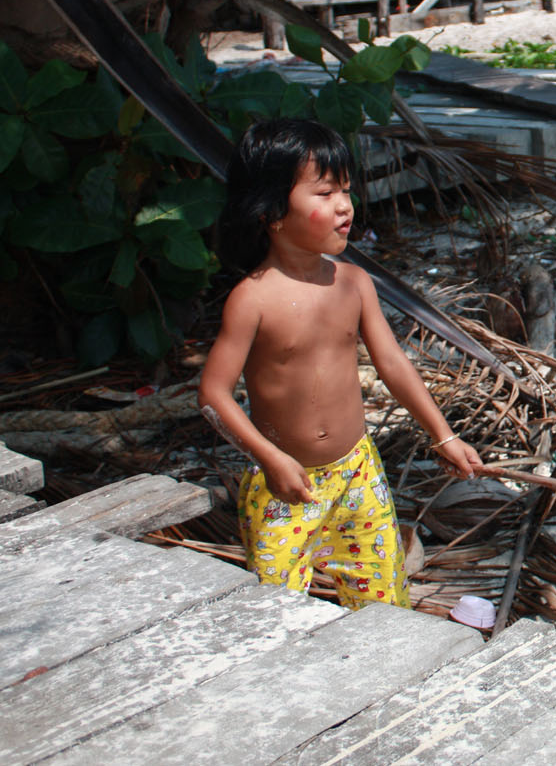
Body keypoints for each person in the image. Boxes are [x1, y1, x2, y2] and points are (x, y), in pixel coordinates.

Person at [197, 118, 482, 609]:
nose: (345, 206)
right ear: (271, 211)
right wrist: (271, 458)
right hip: (286, 483)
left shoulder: (354, 283)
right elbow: (213, 394)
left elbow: (392, 364)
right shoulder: (253, 299)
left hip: (358, 472)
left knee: (381, 598)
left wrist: (445, 435)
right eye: (325, 193)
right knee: (274, 612)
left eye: (346, 191)